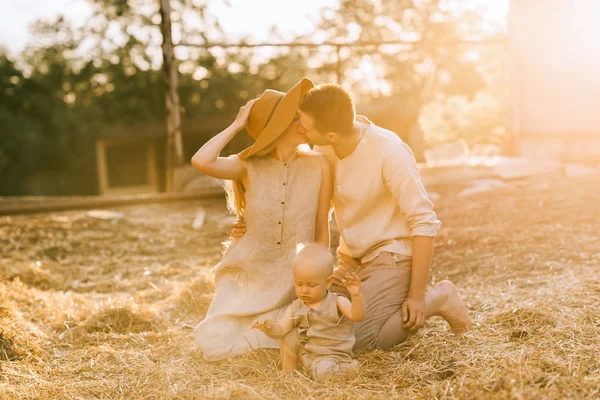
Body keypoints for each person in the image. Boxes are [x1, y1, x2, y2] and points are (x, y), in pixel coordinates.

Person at [233, 83, 471, 352]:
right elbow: (300, 202)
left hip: (392, 256)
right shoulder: (324, 151)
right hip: (352, 261)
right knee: (321, 326)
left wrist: (417, 297)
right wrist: (252, 224)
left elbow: (424, 222)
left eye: (306, 126)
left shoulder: (389, 152)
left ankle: (438, 298)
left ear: (331, 135)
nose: (301, 129)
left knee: (359, 341)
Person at [191, 77, 333, 361]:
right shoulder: (247, 165)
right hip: (247, 279)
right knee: (215, 344)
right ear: (276, 128)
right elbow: (201, 161)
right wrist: (236, 125)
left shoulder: (320, 165)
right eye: (295, 118)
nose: (303, 122)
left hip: (293, 282)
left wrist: (323, 277)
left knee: (301, 336)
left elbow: (321, 228)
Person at [252, 243, 364, 380]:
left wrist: (356, 296)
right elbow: (281, 328)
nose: (304, 290)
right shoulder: (296, 307)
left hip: (332, 356)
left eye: (311, 285)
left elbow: (357, 316)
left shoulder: (337, 302)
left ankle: (350, 367)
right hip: (309, 353)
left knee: (322, 373)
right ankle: (289, 371)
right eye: (299, 284)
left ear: (328, 282)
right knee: (289, 336)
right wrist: (268, 327)